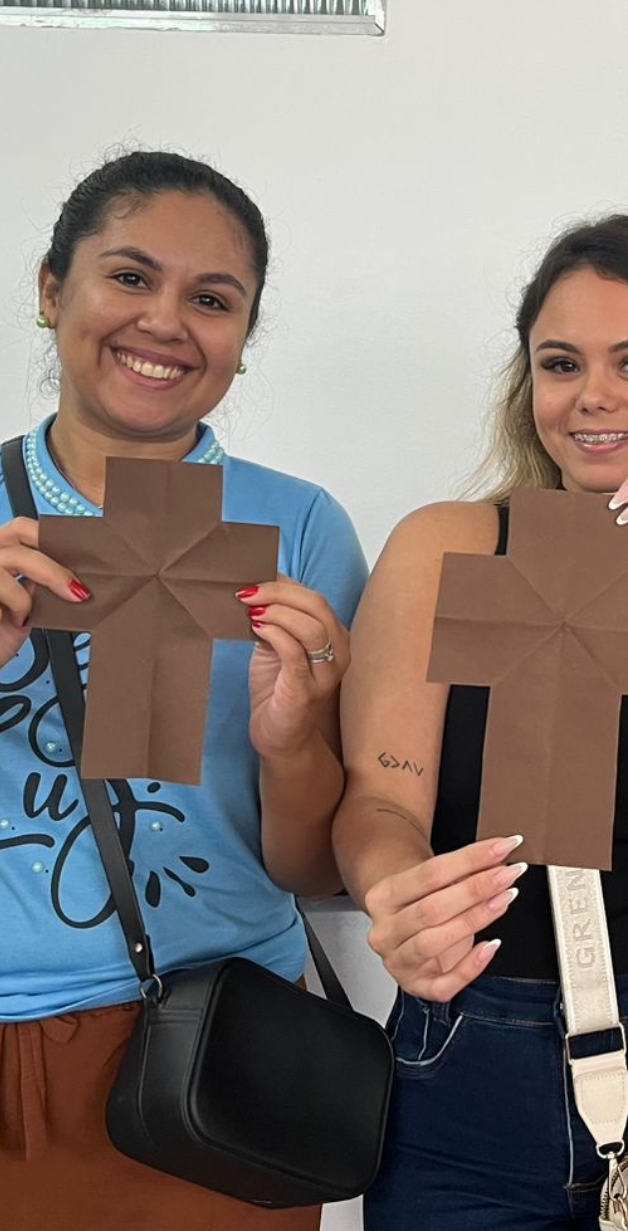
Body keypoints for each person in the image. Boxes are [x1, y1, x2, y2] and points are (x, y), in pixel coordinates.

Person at [334, 214, 628, 1229]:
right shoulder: (449, 547)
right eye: (561, 364)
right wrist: (401, 897)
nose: (592, 395)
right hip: (468, 1046)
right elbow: (378, 801)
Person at [0, 151, 366, 1230]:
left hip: (214, 1050)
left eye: (212, 300)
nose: (164, 322)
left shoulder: (299, 528)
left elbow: (316, 869)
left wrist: (293, 742)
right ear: (51, 289)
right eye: (129, 277)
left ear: (243, 341)